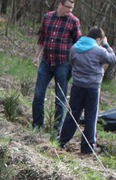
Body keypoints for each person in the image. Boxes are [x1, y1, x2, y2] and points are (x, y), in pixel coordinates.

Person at [57, 27, 116, 154]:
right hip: (93, 88)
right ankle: (88, 147)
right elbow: (112, 59)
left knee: (72, 115)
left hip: (77, 86)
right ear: (98, 39)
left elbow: (72, 63)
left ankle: (62, 140)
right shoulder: (99, 51)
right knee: (91, 117)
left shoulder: (74, 48)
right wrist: (106, 44)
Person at [32, 0, 81, 132]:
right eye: (68, 7)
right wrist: (36, 56)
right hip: (46, 62)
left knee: (60, 99)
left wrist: (75, 64)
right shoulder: (47, 17)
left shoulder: (74, 22)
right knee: (38, 95)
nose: (70, 10)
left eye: (72, 8)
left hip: (63, 64)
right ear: (60, 5)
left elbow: (78, 44)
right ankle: (37, 126)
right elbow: (41, 39)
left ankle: (57, 130)